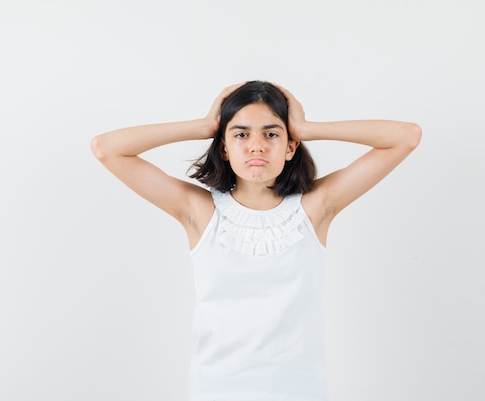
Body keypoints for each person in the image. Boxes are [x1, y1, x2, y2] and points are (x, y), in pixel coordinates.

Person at [91, 81, 421, 401]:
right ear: (223, 146)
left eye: (272, 134)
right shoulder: (200, 210)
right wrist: (205, 125)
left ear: (291, 146)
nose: (257, 145)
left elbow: (406, 137)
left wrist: (307, 128)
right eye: (241, 134)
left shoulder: (315, 208)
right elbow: (107, 148)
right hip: (216, 389)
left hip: (299, 390)